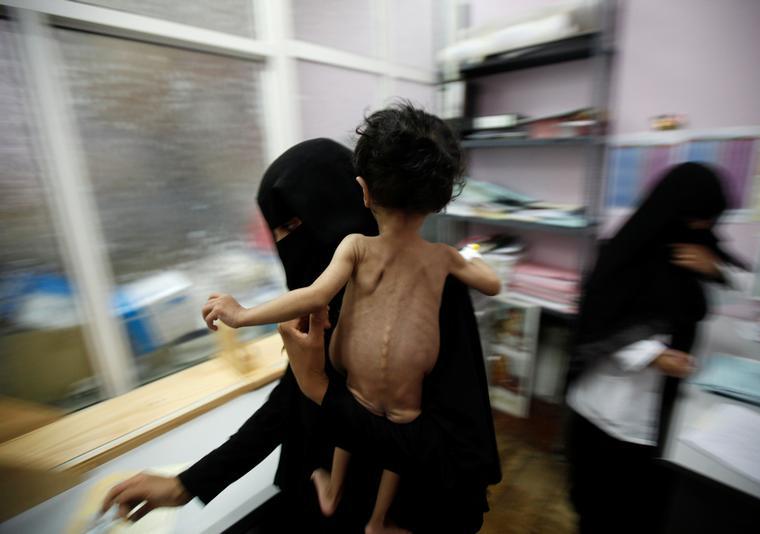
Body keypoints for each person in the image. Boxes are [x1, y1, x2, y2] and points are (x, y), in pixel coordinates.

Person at [101, 137, 501, 533]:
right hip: (316, 492)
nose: (282, 245)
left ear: (352, 200)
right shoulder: (325, 294)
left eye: (292, 224)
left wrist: (321, 389)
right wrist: (187, 484)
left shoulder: (435, 289)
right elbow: (288, 401)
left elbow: (450, 454)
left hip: (396, 511)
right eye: (275, 229)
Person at [565, 162, 745, 534]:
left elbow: (736, 275)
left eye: (709, 222)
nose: (703, 229)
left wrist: (716, 271)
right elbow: (599, 322)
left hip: (659, 409)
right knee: (603, 510)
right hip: (610, 409)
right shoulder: (627, 252)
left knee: (641, 510)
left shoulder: (695, 246)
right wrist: (653, 355)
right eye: (699, 220)